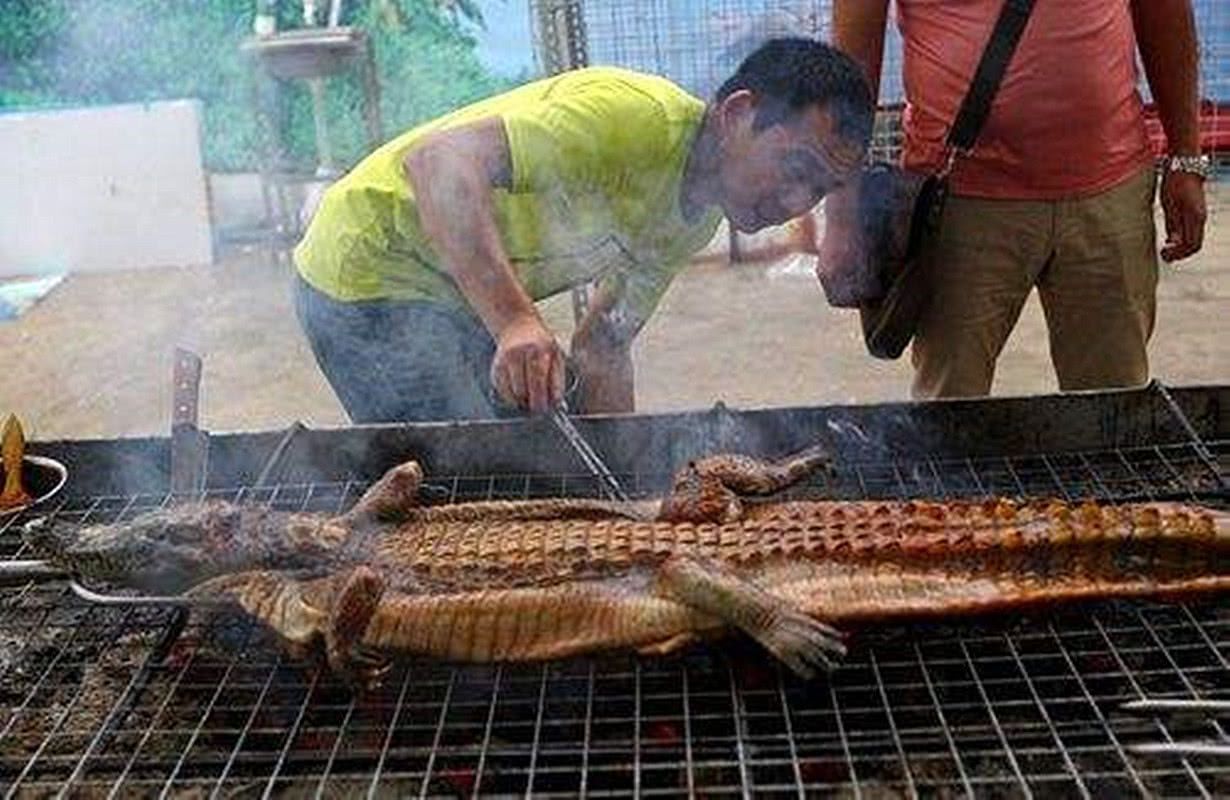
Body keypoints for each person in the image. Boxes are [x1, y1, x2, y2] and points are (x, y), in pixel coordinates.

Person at [293, 37, 873, 422]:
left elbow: (604, 343)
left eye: (819, 190)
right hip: (367, 267)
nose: (798, 201)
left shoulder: (693, 217)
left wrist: (626, 483)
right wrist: (517, 320)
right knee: (465, 485)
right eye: (797, 168)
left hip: (450, 296)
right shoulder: (631, 118)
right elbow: (437, 164)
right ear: (737, 115)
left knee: (541, 459)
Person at [827, 0, 1208, 399]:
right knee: (950, 410)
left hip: (1109, 192)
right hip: (957, 205)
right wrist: (840, 216)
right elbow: (851, 67)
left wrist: (1187, 156)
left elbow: (1165, 14)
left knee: (1112, 406)